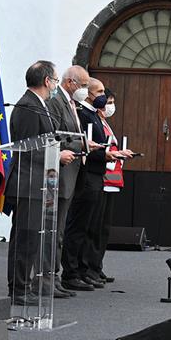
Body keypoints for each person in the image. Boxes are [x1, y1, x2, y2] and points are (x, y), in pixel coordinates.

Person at [5, 61, 73, 301]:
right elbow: (27, 148)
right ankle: (19, 289)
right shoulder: (27, 106)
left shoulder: (40, 106)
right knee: (24, 239)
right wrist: (58, 155)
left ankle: (23, 287)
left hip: (39, 183)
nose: (55, 85)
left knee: (32, 238)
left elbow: (42, 142)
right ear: (47, 81)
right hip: (27, 183)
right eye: (55, 80)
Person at [62, 78, 130, 288]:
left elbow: (98, 145)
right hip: (88, 174)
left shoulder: (93, 116)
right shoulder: (85, 115)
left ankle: (85, 269)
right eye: (99, 91)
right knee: (80, 227)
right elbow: (87, 147)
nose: (103, 96)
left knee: (92, 227)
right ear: (89, 93)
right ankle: (73, 272)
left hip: (97, 175)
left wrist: (110, 154)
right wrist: (107, 156)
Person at [50, 65, 93, 293]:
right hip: (61, 173)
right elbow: (55, 137)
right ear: (69, 82)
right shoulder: (57, 102)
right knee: (55, 231)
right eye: (83, 85)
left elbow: (71, 135)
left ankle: (55, 278)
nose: (85, 90)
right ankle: (51, 278)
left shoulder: (71, 104)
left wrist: (85, 144)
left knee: (61, 231)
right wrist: (80, 144)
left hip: (73, 173)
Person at [93, 88, 127, 283]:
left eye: (113, 102)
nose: (110, 106)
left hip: (112, 180)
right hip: (102, 179)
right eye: (108, 101)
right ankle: (91, 267)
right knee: (95, 227)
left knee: (104, 228)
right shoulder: (96, 122)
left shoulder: (106, 123)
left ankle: (98, 265)